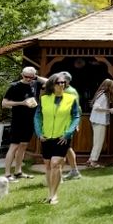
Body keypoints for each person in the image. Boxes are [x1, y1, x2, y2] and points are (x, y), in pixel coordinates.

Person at [34, 73, 80, 205]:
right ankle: (50, 193)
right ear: (52, 85)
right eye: (59, 83)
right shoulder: (44, 99)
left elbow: (76, 116)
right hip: (46, 137)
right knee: (48, 165)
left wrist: (68, 133)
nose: (62, 85)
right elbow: (37, 117)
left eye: (63, 83)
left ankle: (54, 195)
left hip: (62, 137)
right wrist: (39, 132)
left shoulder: (71, 99)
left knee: (55, 164)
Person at [1, 65, 41, 180]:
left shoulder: (35, 83)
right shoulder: (15, 86)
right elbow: (4, 103)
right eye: (26, 76)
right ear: (22, 75)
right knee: (14, 146)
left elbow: (50, 82)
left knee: (23, 146)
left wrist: (36, 78)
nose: (28, 79)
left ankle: (18, 172)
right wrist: (22, 103)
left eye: (31, 77)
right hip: (18, 120)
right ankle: (7, 174)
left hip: (30, 120)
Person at [54, 71, 83, 180]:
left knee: (61, 148)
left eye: (60, 80)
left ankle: (58, 176)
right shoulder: (65, 90)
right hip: (64, 123)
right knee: (66, 148)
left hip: (66, 124)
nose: (58, 82)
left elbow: (75, 109)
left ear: (66, 81)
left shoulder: (70, 92)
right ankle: (74, 171)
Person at [87, 77, 113, 168]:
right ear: (109, 86)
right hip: (99, 121)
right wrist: (109, 110)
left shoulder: (100, 94)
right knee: (98, 142)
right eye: (112, 86)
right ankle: (93, 162)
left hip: (96, 120)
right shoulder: (103, 96)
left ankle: (91, 160)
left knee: (96, 141)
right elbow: (96, 107)